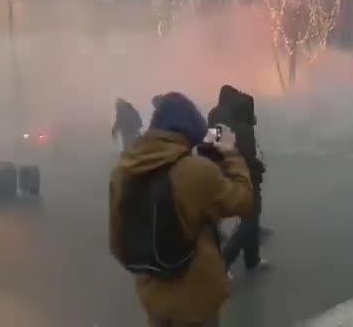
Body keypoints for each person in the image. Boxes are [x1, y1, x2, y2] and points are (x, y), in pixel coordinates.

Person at [109, 92, 253, 327]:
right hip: (195, 296)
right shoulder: (195, 170)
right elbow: (243, 200)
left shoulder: (122, 172)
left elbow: (117, 243)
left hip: (152, 294)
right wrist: (229, 152)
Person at [208, 86, 269, 274]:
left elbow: (214, 148)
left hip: (227, 173)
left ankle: (253, 259)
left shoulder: (217, 121)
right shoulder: (242, 125)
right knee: (250, 220)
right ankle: (224, 262)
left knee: (250, 217)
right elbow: (247, 156)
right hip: (247, 176)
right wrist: (259, 168)